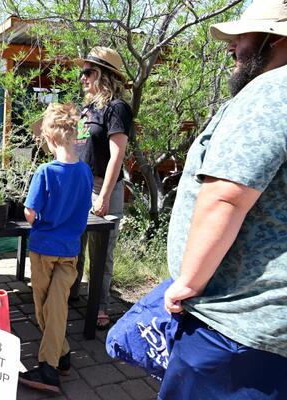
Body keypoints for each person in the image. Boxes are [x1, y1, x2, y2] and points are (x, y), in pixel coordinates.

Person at [161, 0, 287, 398]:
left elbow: (226, 197)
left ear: (276, 39)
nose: (231, 47)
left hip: (236, 329)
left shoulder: (272, 92)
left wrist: (187, 282)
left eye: (241, 37)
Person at [19, 103, 93, 393]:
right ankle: (61, 356)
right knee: (58, 306)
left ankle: (48, 369)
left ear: (49, 137)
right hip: (70, 251)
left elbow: (30, 213)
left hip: (43, 249)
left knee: (44, 308)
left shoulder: (45, 172)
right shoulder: (85, 172)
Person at [69, 46, 133, 330]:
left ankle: (101, 305)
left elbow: (117, 155)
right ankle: (72, 293)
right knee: (76, 245)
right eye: (82, 72)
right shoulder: (87, 108)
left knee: (101, 252)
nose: (82, 78)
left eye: (88, 72)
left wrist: (105, 195)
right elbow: (79, 147)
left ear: (104, 75)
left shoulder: (117, 107)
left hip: (100, 186)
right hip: (80, 185)